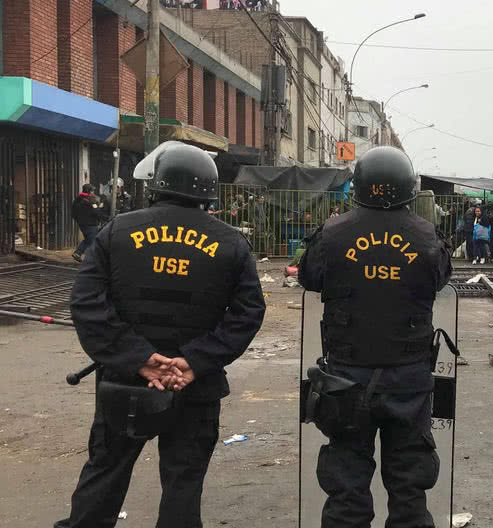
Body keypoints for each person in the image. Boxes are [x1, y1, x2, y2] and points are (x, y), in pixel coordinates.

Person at [56, 141, 266, 528]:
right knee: (182, 487)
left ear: (157, 183)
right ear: (209, 191)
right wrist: (194, 361)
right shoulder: (230, 242)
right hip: (194, 386)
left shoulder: (118, 231)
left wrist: (138, 359)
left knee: (104, 475)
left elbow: (86, 303)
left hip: (125, 382)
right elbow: (248, 313)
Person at [298, 146, 452, 528]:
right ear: (409, 188)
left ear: (359, 186)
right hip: (409, 381)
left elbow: (308, 277)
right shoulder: (426, 236)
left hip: (346, 380)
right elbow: (441, 279)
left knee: (347, 485)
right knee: (409, 488)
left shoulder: (333, 234)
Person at [70, 183, 106, 262]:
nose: (93, 192)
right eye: (92, 191)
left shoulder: (77, 199)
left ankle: (78, 253)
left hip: (82, 224)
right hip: (91, 224)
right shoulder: (91, 200)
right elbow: (96, 212)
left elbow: (73, 213)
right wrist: (105, 217)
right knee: (92, 240)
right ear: (89, 191)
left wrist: (78, 220)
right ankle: (91, 258)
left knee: (89, 239)